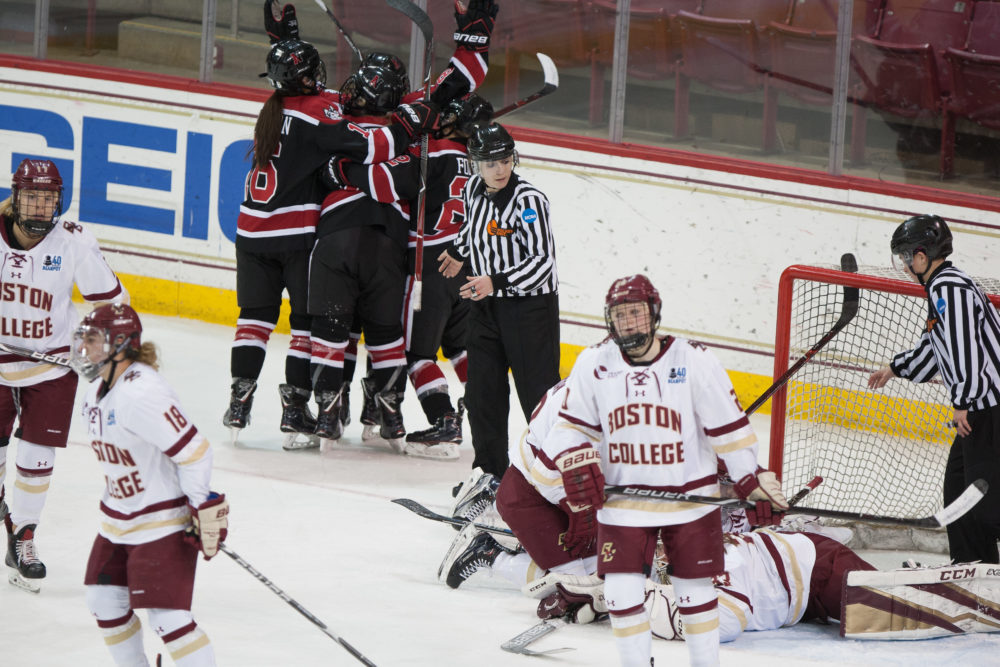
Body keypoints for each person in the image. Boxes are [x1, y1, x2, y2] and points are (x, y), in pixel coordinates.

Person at [540, 274, 789, 667]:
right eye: (620, 315)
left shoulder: (694, 360)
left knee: (695, 593)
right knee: (621, 593)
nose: (629, 322)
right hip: (623, 502)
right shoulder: (594, 363)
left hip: (690, 502)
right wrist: (577, 459)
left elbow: (730, 428)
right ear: (610, 320)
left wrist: (749, 478)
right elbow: (568, 427)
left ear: (653, 314)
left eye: (636, 313)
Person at [224, 36, 437, 444]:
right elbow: (377, 143)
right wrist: (413, 119)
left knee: (253, 322)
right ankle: (296, 412)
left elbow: (331, 94)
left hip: (250, 231)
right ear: (306, 80)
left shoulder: (274, 107)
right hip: (298, 235)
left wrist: (283, 40)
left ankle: (239, 405)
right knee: (307, 327)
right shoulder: (322, 113)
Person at [309, 2, 495, 450]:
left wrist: (339, 173)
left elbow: (392, 179)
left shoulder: (355, 116)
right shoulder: (421, 120)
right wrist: (475, 35)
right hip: (437, 256)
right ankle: (387, 407)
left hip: (409, 256)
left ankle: (355, 409)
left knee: (377, 335)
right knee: (394, 331)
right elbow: (461, 79)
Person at [72, 303, 229, 666]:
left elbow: (194, 452)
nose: (85, 347)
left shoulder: (142, 394)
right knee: (103, 601)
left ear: (122, 344)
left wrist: (198, 506)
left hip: (161, 522)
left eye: (94, 339)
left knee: (168, 618)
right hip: (118, 520)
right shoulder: (96, 388)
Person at [1, 158, 127, 592]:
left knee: (39, 456)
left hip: (50, 366)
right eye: (32, 197)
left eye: (48, 198)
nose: (40, 207)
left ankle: (24, 536)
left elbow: (114, 303)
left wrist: (97, 346)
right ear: (16, 198)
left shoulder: (72, 241)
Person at [867, 214, 1000, 564]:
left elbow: (963, 349)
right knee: (958, 488)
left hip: (988, 407)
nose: (905, 265)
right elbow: (934, 347)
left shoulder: (947, 288)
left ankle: (979, 564)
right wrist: (894, 369)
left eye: (906, 256)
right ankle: (971, 564)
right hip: (982, 404)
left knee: (985, 503)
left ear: (921, 256)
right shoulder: (943, 286)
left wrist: (963, 402)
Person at [438, 122, 561, 478]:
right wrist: (459, 250)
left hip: (529, 311)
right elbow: (475, 228)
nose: (500, 169)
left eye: (505, 159)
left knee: (538, 399)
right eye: (491, 162)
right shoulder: (473, 190)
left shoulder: (529, 201)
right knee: (482, 396)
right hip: (485, 307)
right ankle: (490, 475)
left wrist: (497, 281)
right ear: (476, 163)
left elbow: (542, 262)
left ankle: (554, 478)